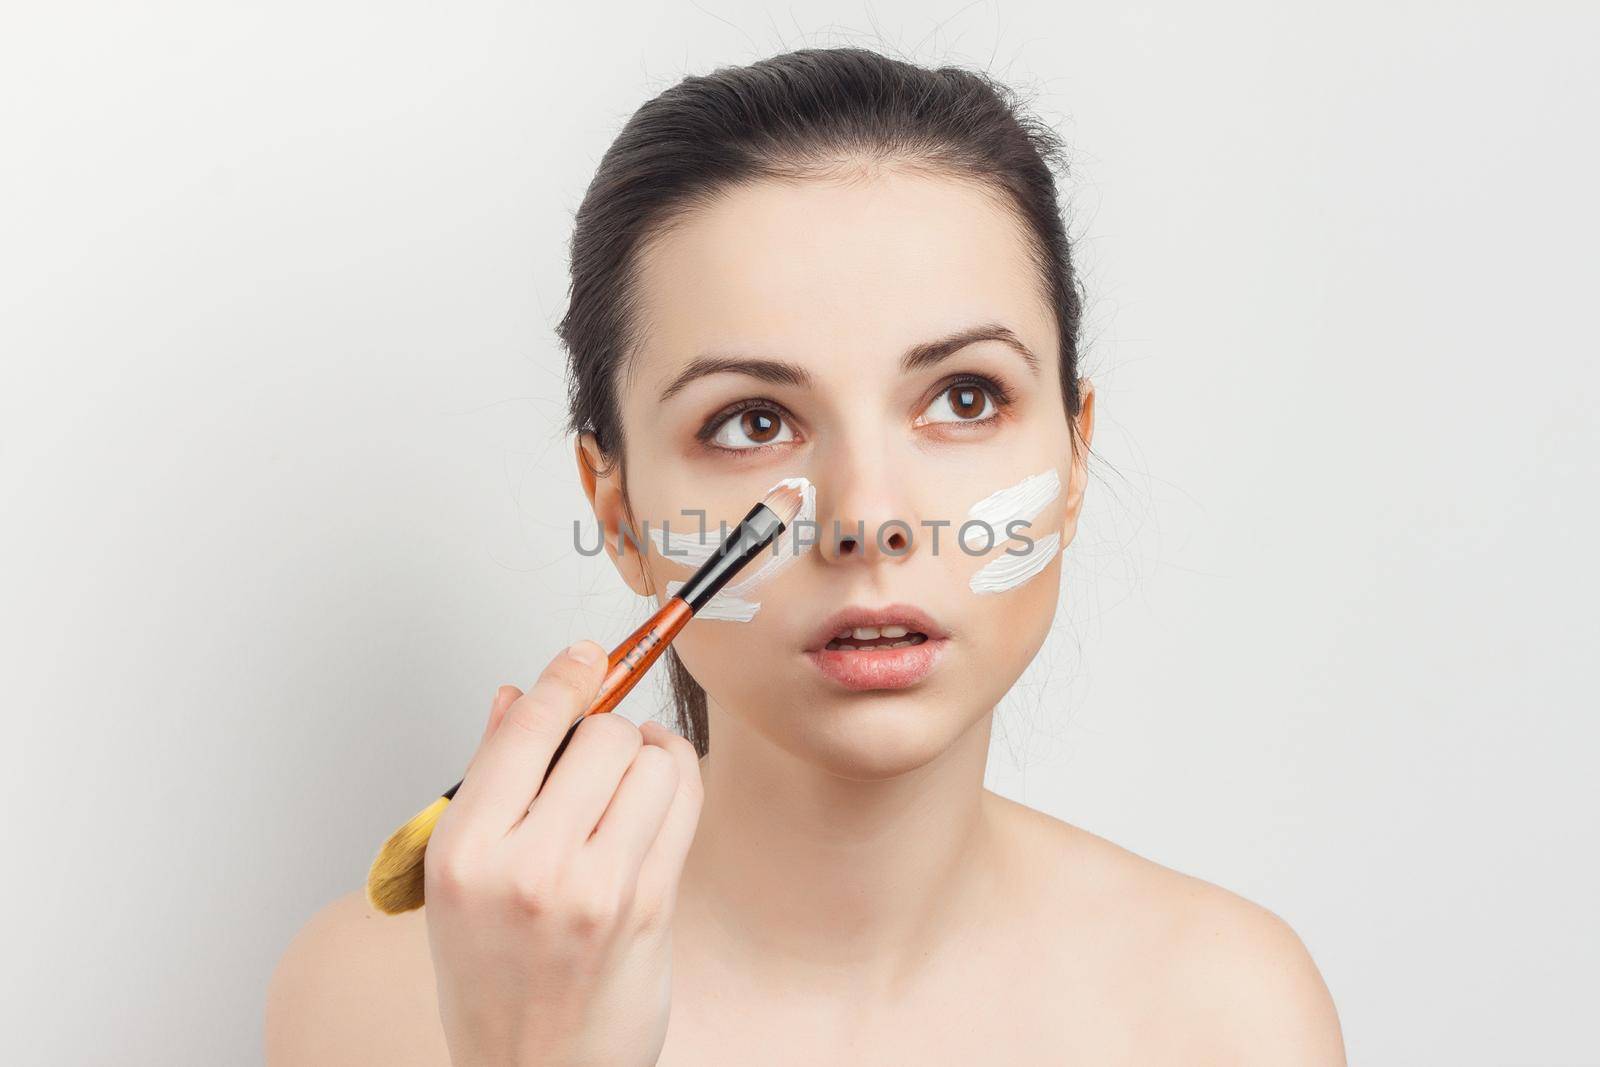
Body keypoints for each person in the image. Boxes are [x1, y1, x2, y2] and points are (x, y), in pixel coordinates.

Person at [266, 47, 1346, 1064]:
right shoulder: (378, 999)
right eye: (749, 419)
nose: (866, 517)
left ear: (1072, 457)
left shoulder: (1226, 1012)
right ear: (620, 508)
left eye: (964, 397)